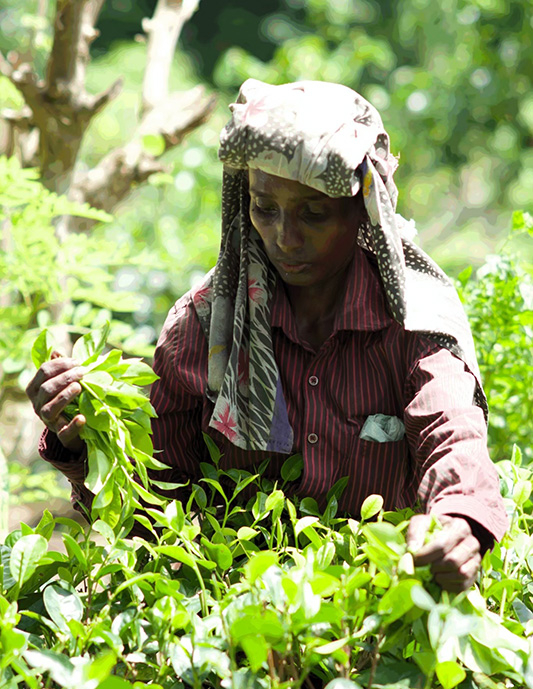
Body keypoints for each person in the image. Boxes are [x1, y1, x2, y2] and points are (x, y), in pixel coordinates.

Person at [27, 79, 508, 593]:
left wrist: (458, 523)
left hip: (378, 610)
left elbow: (452, 435)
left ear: (362, 209)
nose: (285, 237)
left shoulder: (413, 323)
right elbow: (152, 509)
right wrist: (84, 437)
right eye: (265, 208)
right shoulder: (205, 327)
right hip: (230, 621)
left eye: (313, 213)